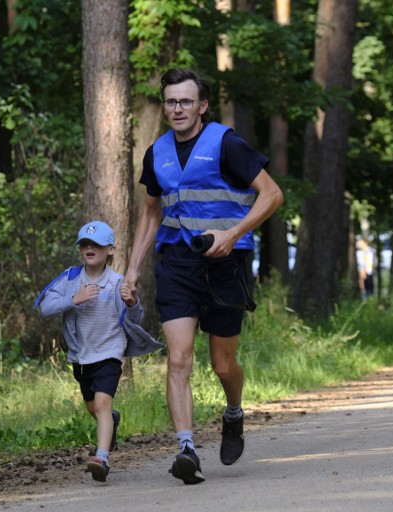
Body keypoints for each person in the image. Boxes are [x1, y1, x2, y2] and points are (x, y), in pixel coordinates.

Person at [123, 68, 284, 485]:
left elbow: (273, 194)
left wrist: (233, 234)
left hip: (225, 263)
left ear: (202, 106)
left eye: (185, 101)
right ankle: (186, 448)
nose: (177, 109)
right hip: (178, 263)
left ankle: (233, 412)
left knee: (222, 363)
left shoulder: (225, 143)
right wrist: (132, 269)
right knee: (177, 359)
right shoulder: (156, 152)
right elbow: (151, 212)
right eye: (171, 102)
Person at [35, 221, 162, 482]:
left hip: (109, 353)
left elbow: (135, 317)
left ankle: (101, 457)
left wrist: (132, 301)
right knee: (94, 407)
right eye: (84, 244)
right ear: (80, 250)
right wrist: (74, 300)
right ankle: (111, 421)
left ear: (111, 249)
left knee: (103, 403)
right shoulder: (70, 278)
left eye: (96, 244)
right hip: (82, 357)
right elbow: (45, 307)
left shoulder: (117, 283)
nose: (89, 248)